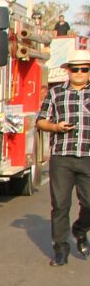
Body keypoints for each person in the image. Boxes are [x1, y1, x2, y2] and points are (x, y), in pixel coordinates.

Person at [37, 49, 90, 266]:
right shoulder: (56, 93)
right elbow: (41, 121)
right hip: (62, 156)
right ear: (67, 70)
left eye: (84, 69)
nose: (79, 73)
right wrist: (56, 127)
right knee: (60, 205)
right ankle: (60, 249)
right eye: (74, 69)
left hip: (88, 156)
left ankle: (80, 228)